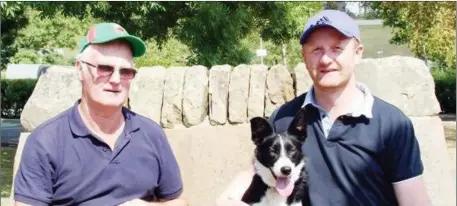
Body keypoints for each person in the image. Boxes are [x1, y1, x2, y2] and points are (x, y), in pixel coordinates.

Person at [216, 10, 432, 206]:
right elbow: (256, 168)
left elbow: (414, 200)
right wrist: (228, 198)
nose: (326, 59)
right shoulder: (285, 118)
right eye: (316, 49)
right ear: (304, 57)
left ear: (358, 53)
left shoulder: (392, 124)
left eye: (337, 48)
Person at [13, 22, 187, 206]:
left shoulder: (151, 133)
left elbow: (178, 201)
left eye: (126, 71)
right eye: (105, 68)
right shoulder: (46, 141)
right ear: (80, 69)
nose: (115, 80)